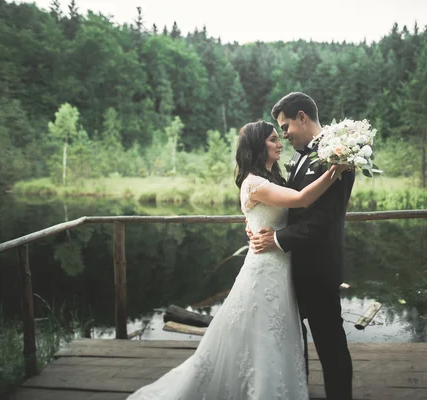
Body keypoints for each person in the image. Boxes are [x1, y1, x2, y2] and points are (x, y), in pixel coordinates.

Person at [126, 120, 348, 400]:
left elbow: (284, 214)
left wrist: (254, 225)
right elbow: (302, 200)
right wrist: (335, 169)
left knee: (278, 333)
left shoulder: (273, 178)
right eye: (272, 139)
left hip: (282, 267)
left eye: (279, 137)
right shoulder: (254, 182)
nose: (280, 143)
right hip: (264, 268)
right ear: (257, 146)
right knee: (261, 332)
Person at [249, 92, 355, 400]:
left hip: (319, 270)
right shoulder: (301, 157)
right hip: (292, 271)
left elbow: (323, 219)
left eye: (285, 127)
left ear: (302, 118)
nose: (284, 134)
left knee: (330, 345)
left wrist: (278, 239)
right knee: (295, 342)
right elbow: (290, 208)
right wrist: (257, 222)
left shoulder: (337, 155)